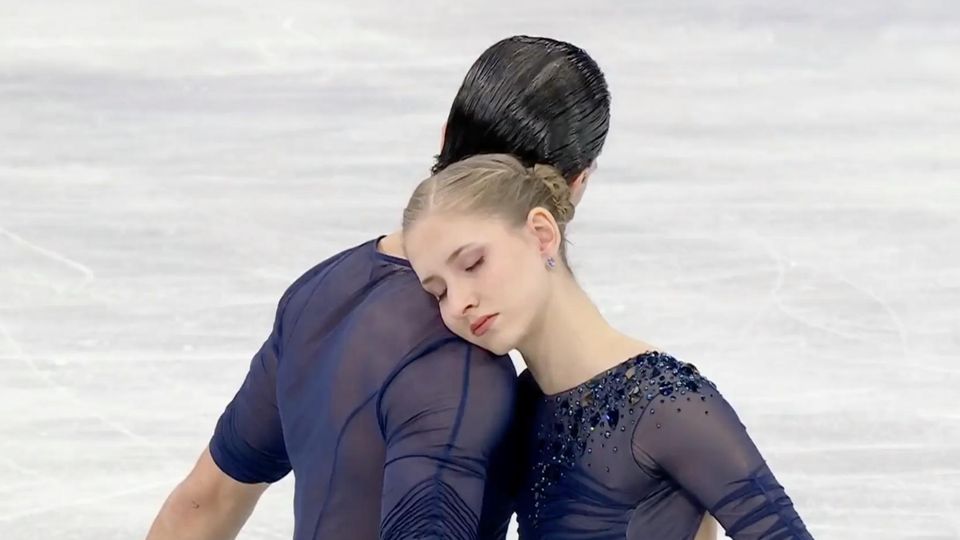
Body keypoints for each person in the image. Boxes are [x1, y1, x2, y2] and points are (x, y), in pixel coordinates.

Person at [146, 35, 611, 540]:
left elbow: (204, 503)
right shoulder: (462, 362)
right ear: (574, 186)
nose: (457, 299)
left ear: (444, 135)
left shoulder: (318, 294)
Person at [401, 154, 814, 539]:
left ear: (541, 235)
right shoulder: (518, 406)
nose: (458, 303)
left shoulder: (663, 402)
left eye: (473, 264)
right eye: (438, 292)